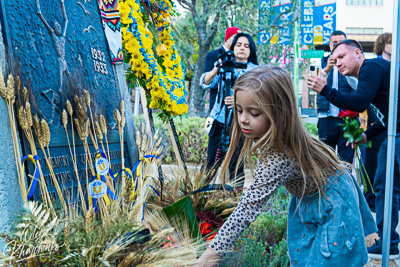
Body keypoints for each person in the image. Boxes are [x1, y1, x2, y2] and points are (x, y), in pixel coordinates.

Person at [194, 66, 376, 267]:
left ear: (279, 112)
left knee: (330, 257)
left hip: (333, 201)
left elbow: (247, 210)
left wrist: (211, 255)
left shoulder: (279, 156)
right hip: (311, 198)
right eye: (239, 110)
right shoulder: (278, 137)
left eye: (254, 113)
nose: (243, 119)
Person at [306, 39, 400, 258]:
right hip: (393, 133)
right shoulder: (370, 75)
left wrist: (325, 90)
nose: (337, 63)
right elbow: (387, 118)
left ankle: (389, 242)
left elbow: (358, 102)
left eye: (341, 57)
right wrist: (366, 135)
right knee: (384, 185)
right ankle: (389, 241)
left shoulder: (371, 67)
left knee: (386, 185)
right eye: (334, 59)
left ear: (358, 53)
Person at [200, 33, 258, 186]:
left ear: (251, 50)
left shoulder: (256, 71)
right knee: (212, 160)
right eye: (239, 45)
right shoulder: (224, 64)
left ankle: (234, 202)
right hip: (220, 119)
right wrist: (214, 71)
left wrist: (239, 100)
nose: (242, 49)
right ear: (233, 47)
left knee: (237, 162)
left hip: (242, 122)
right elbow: (205, 83)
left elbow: (261, 96)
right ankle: (199, 195)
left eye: (246, 46)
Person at [363, 33, 392, 210]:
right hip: (377, 123)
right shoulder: (375, 65)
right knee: (373, 162)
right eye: (391, 42)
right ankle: (371, 198)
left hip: (390, 123)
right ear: (382, 45)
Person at [317, 30, 355, 164]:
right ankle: (327, 186)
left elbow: (357, 86)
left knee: (346, 160)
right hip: (326, 117)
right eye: (335, 43)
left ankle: (346, 185)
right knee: (324, 160)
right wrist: (327, 68)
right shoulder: (321, 62)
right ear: (329, 45)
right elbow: (313, 82)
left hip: (347, 118)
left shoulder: (351, 63)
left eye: (341, 43)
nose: (337, 45)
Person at [203, 27, 242, 114]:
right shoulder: (213, 55)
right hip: (218, 105)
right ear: (227, 39)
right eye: (235, 38)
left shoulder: (241, 57)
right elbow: (206, 81)